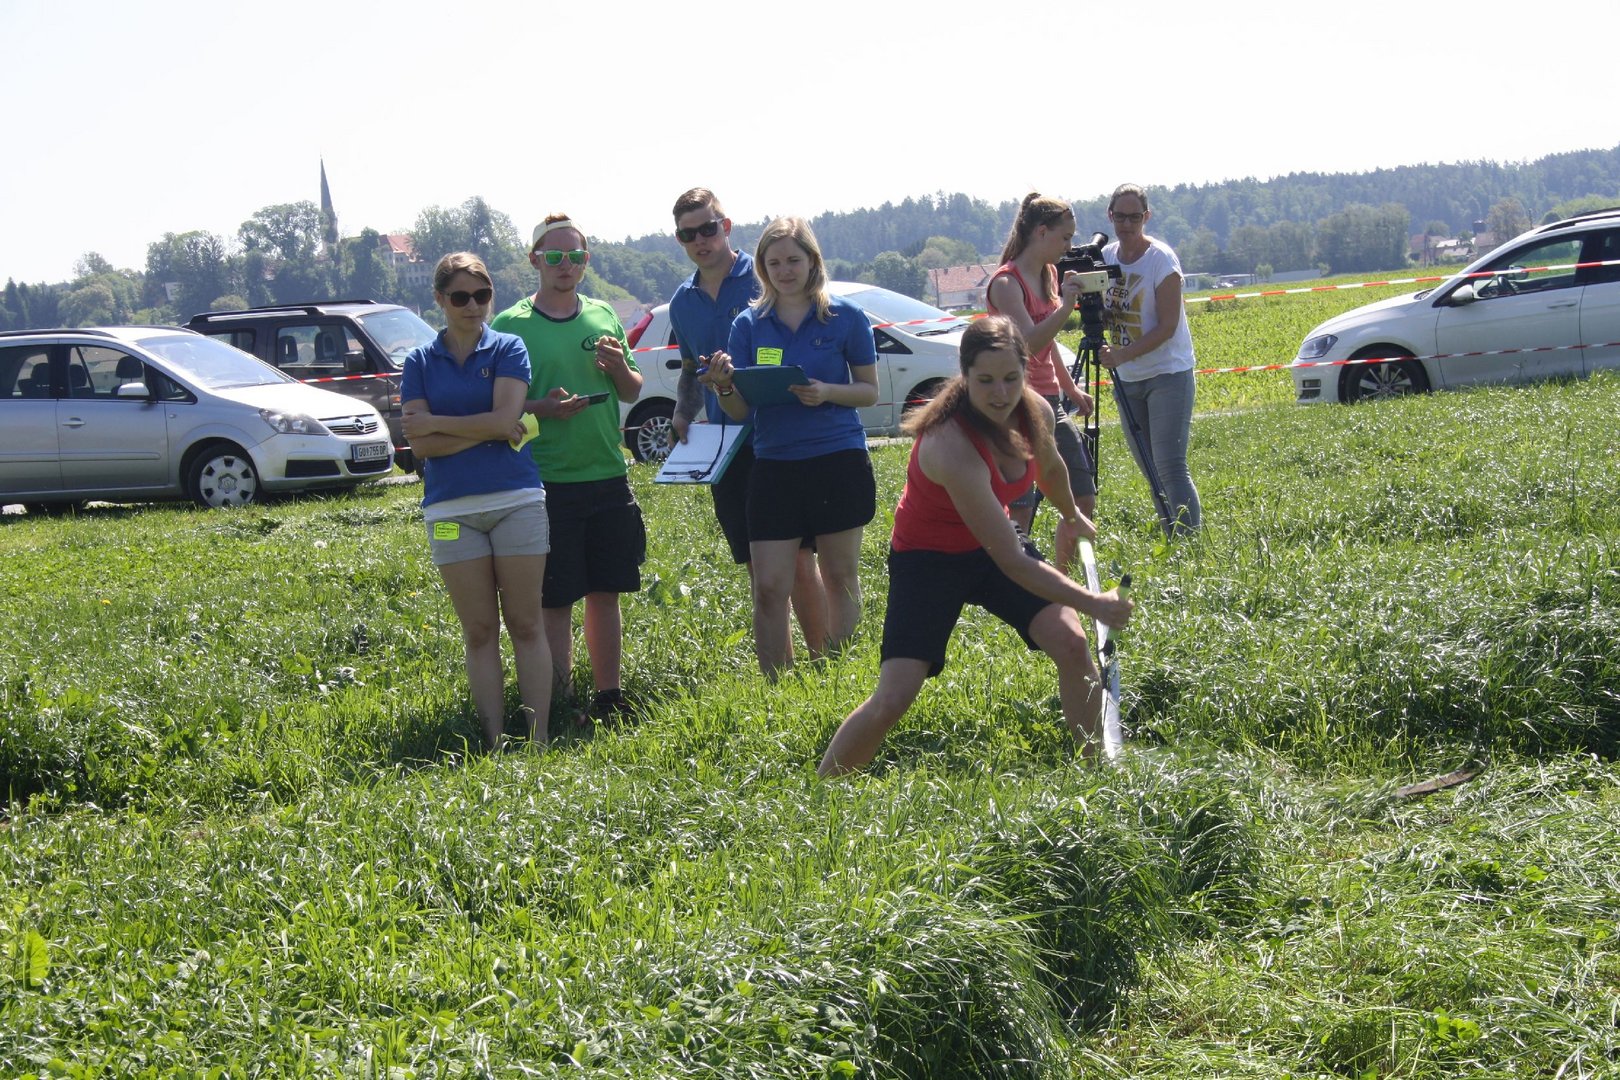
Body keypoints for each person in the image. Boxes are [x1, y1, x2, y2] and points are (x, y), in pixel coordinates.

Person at [818, 316, 1133, 777]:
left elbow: (1049, 468)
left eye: (1011, 378)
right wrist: (1094, 602)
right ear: (964, 375)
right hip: (928, 561)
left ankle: (1094, 771)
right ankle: (826, 787)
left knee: (1071, 642)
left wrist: (1071, 515)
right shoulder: (949, 444)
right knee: (895, 696)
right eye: (985, 380)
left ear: (1025, 372)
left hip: (992, 543)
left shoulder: (1035, 412)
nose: (1000, 394)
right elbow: (1012, 561)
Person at [699, 217, 879, 679]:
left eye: (793, 260)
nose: (784, 271)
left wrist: (826, 392)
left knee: (840, 577)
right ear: (762, 268)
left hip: (838, 459)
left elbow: (869, 391)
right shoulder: (748, 324)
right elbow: (740, 410)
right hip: (775, 466)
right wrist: (723, 386)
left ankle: (837, 677)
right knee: (768, 587)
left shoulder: (846, 316)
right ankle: (776, 688)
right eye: (774, 262)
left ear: (812, 261)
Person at [491, 214, 646, 721]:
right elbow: (496, 408)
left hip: (608, 474)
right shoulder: (511, 325)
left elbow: (632, 390)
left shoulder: (602, 314)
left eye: (575, 256)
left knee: (606, 592)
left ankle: (608, 696)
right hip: (545, 482)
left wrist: (619, 368)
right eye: (554, 256)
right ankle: (560, 701)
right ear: (534, 259)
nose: (566, 265)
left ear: (586, 261)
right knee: (555, 600)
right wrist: (543, 409)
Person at [666, 188, 830, 661]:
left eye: (707, 228)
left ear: (726, 226)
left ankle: (826, 662)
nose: (700, 240)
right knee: (760, 566)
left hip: (780, 438)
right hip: (726, 446)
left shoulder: (764, 277)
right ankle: (783, 670)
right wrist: (682, 411)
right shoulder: (682, 302)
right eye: (688, 234)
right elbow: (690, 367)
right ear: (679, 240)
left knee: (799, 560)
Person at [399, 252, 551, 750]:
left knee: (526, 624)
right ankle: (493, 742)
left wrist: (439, 423)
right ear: (439, 300)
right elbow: (421, 447)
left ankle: (539, 740)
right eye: (460, 297)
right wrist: (488, 428)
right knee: (480, 631)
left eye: (482, 295)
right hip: (449, 513)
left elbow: (504, 419)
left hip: (517, 502)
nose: (472, 305)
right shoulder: (419, 362)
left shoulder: (509, 347)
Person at [987, 192, 1097, 572]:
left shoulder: (1048, 274)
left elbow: (1047, 348)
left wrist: (1070, 389)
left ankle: (1060, 582)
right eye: (1065, 237)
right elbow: (1029, 343)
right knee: (1020, 507)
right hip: (1016, 404)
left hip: (1051, 402)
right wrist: (1066, 307)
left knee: (1082, 497)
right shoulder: (1006, 283)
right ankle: (1017, 581)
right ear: (1041, 231)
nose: (1069, 246)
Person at [1099, 183, 1202, 536]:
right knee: (1151, 471)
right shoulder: (1106, 257)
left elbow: (1168, 326)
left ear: (1147, 217)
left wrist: (1122, 355)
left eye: (1135, 217)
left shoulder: (1161, 260)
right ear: (1110, 216)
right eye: (1120, 217)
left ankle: (1189, 545)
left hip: (1166, 374)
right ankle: (1171, 538)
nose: (1127, 225)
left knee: (1171, 467)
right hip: (1127, 379)